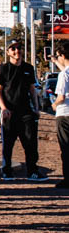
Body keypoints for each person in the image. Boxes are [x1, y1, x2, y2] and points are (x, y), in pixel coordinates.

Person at [0, 39, 46, 181]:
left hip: (26, 112)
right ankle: (7, 171)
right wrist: (3, 108)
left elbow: (32, 89)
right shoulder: (3, 69)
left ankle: (32, 172)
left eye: (19, 48)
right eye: (13, 49)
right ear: (8, 52)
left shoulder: (28, 68)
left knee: (30, 143)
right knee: (8, 144)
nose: (17, 51)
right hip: (9, 113)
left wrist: (36, 108)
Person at [52, 47, 69, 189]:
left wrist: (54, 104)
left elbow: (61, 96)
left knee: (66, 147)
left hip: (64, 114)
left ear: (63, 55)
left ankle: (67, 178)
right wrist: (55, 62)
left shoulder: (64, 75)